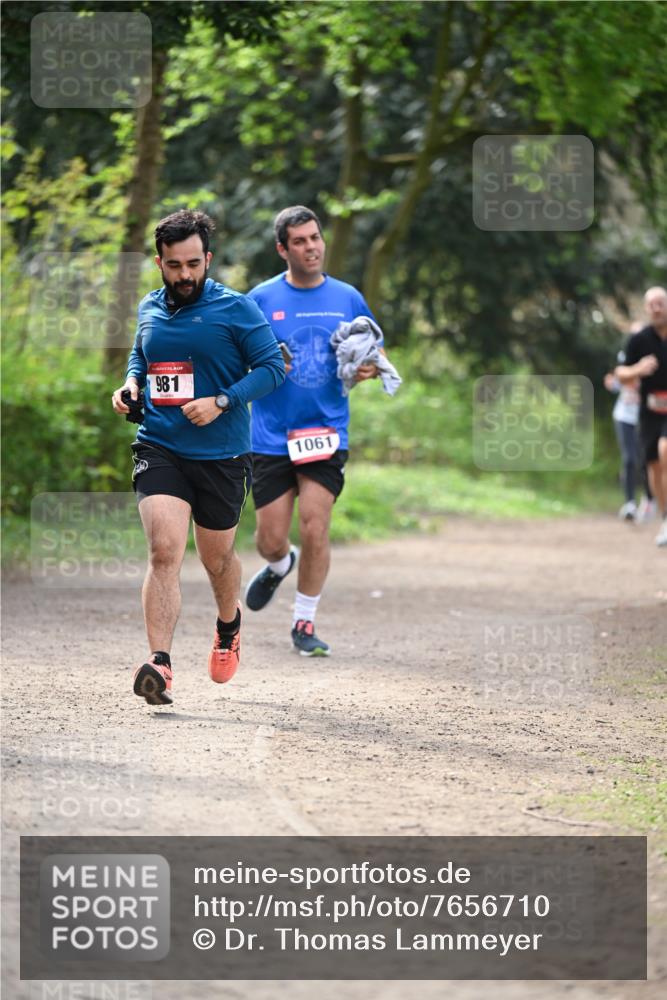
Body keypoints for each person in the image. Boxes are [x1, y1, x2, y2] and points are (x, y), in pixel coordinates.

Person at [112, 210, 285, 704]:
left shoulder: (236, 308)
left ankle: (228, 624)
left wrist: (223, 400)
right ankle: (160, 665)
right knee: (164, 550)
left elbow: (272, 368)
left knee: (216, 558)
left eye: (193, 263)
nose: (184, 274)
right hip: (160, 443)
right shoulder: (149, 306)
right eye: (174, 265)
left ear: (207, 259)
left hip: (223, 454)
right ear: (160, 263)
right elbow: (141, 357)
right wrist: (130, 385)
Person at [244, 205, 383, 655]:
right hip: (269, 436)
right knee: (268, 539)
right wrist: (261, 363)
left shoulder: (347, 297)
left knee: (316, 524)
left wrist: (366, 369)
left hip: (326, 432)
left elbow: (370, 349)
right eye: (300, 241)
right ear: (283, 249)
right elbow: (234, 355)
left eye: (315, 238)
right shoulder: (260, 300)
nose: (311, 247)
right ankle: (281, 563)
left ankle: (304, 623)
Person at [615, 286, 667, 546]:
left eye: (661, 303)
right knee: (654, 467)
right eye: (652, 304)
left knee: (665, 450)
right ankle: (664, 517)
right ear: (647, 309)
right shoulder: (639, 340)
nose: (657, 308)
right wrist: (639, 368)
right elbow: (620, 374)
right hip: (649, 411)